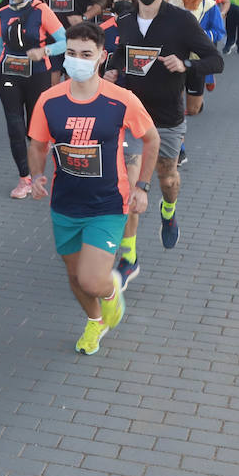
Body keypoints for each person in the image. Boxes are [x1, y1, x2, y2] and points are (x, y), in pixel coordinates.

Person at [28, 22, 157, 355]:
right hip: (65, 204)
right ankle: (95, 321)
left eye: (86, 54)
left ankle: (111, 291)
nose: (77, 60)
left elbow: (151, 138)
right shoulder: (49, 100)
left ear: (101, 56)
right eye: (71, 53)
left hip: (108, 204)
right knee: (74, 277)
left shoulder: (121, 100)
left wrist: (141, 186)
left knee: (91, 279)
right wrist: (36, 175)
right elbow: (38, 143)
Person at [103, 0, 223, 280]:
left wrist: (187, 65)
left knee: (166, 180)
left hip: (167, 118)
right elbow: (120, 52)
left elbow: (216, 60)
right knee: (128, 186)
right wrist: (111, 69)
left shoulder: (181, 21)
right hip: (130, 117)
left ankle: (168, 210)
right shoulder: (125, 21)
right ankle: (129, 257)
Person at [0, 0, 66, 199]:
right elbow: (0, 43)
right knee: (15, 126)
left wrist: (44, 50)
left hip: (37, 74)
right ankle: (24, 178)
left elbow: (64, 41)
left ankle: (41, 151)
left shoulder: (41, 10)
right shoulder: (3, 12)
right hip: (8, 74)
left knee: (35, 130)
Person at [167, 0, 227, 118]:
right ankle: (177, 134)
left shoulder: (209, 5)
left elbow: (219, 31)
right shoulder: (169, 2)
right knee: (175, 107)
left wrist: (200, 38)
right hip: (173, 60)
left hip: (196, 61)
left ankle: (198, 102)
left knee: (193, 110)